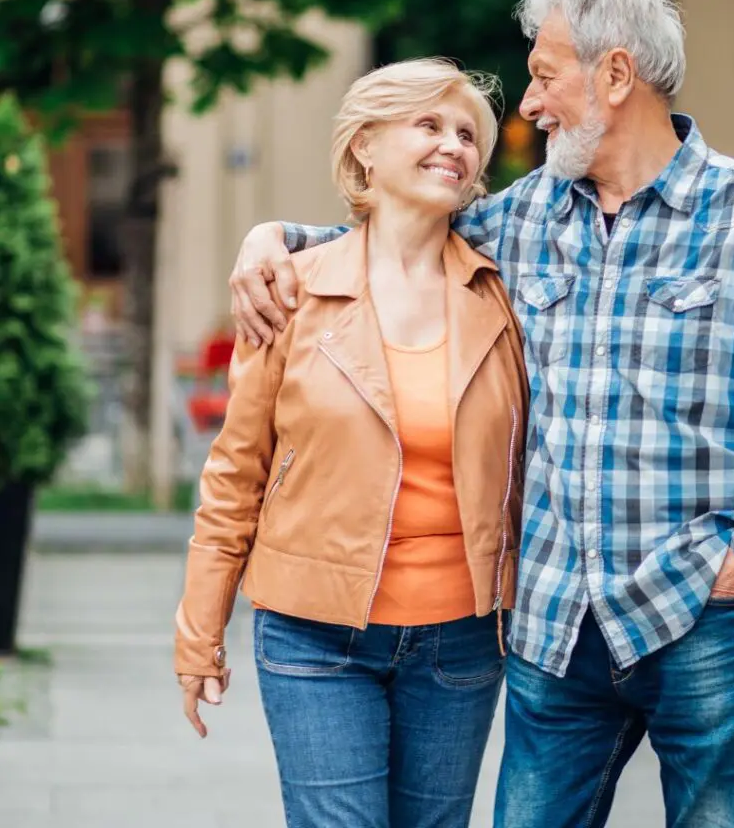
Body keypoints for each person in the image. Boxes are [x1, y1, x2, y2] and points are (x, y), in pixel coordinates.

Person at [230, 0, 734, 828]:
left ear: (616, 75)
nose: (531, 103)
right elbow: (386, 238)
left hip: (710, 629)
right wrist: (270, 239)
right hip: (555, 632)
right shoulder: (523, 218)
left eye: (545, 76)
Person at [174, 59, 532, 828]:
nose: (454, 147)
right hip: (313, 634)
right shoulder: (290, 291)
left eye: (468, 134)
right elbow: (236, 474)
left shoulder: (502, 295)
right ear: (365, 146)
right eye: (428, 125)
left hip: (463, 641)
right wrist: (199, 631)